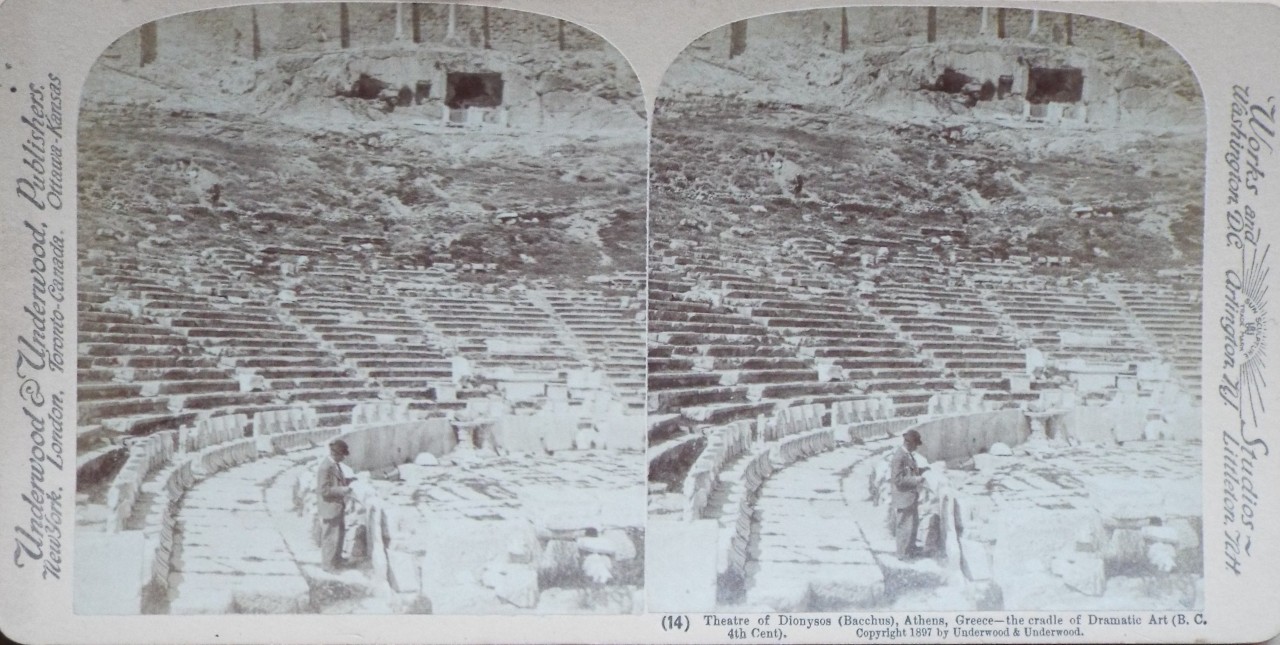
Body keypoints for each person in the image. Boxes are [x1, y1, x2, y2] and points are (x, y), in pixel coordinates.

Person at [317, 439, 354, 572]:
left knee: (339, 535)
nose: (344, 457)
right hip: (330, 507)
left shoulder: (334, 465)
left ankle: (336, 560)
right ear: (335, 454)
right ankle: (328, 565)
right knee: (330, 537)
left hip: (337, 506)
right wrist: (342, 490)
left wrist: (349, 481)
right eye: (342, 455)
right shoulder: (325, 467)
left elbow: (336, 481)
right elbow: (324, 490)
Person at [890, 430, 928, 559]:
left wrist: (923, 471)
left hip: (910, 497)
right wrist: (916, 480)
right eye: (915, 444)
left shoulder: (908, 455)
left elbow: (911, 471)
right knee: (904, 526)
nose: (916, 447)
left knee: (912, 525)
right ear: (909, 443)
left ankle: (910, 549)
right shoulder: (899, 457)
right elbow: (897, 480)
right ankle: (902, 554)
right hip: (903, 497)